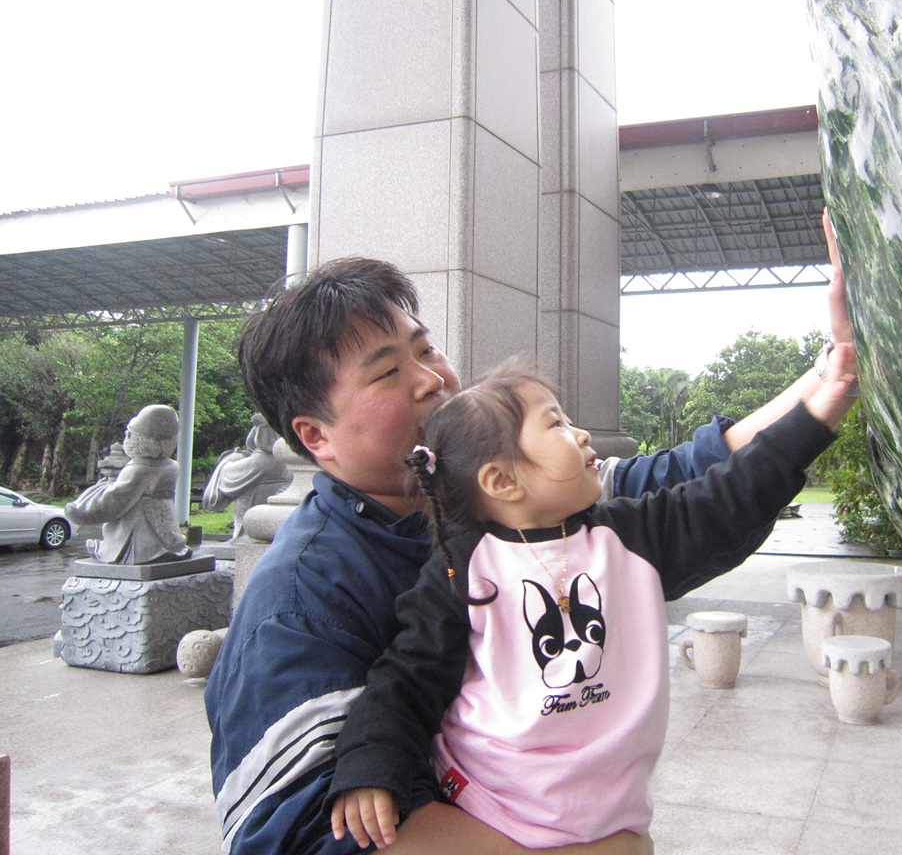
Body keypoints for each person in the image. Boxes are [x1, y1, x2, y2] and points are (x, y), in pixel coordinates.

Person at [206, 215, 856, 855]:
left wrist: (836, 369)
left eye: (426, 350)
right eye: (387, 372)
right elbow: (298, 830)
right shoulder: (300, 599)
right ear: (315, 435)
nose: (432, 379)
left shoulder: (519, 504)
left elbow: (693, 490)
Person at [327, 353, 856, 850]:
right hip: (487, 803)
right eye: (556, 424)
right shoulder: (463, 566)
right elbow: (410, 676)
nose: (580, 434)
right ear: (502, 480)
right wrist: (370, 765)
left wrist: (822, 409)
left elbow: (725, 499)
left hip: (609, 813)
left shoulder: (629, 537)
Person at [66, 403, 190, 565]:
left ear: (140, 440)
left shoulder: (138, 469)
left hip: (139, 535)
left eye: (129, 434)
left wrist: (81, 510)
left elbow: (116, 500)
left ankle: (117, 552)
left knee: (130, 543)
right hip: (165, 523)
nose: (126, 438)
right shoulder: (172, 466)